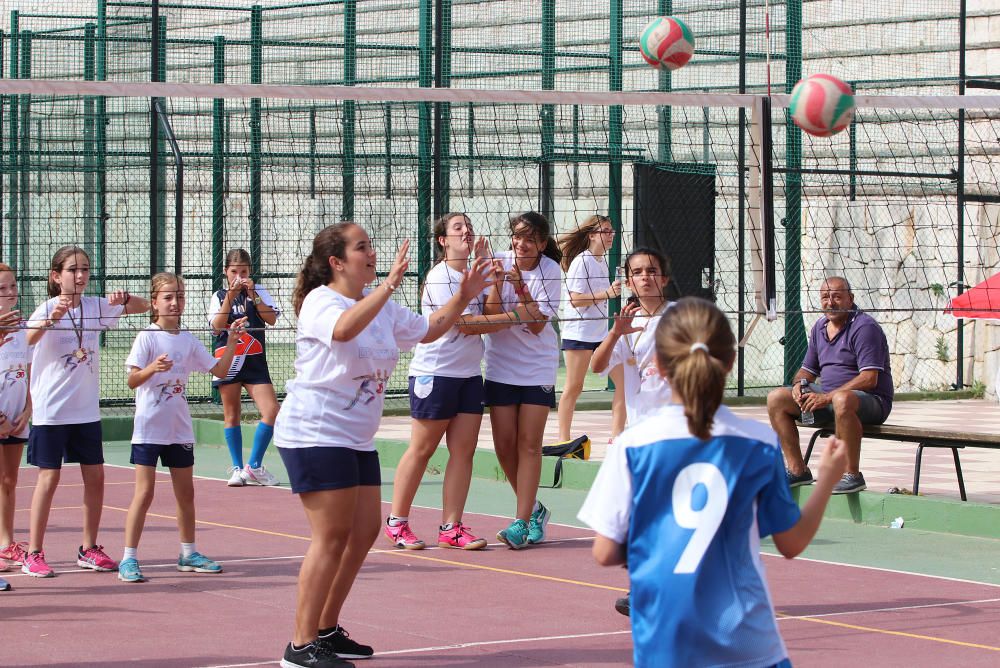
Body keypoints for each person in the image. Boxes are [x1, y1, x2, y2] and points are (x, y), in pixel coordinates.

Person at [579, 297, 849, 668]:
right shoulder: (758, 443)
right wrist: (828, 478)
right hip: (749, 646)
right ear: (730, 363)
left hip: (665, 644)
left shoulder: (632, 445)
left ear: (657, 365)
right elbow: (792, 543)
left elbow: (604, 552)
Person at [273, 222, 491, 668]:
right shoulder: (322, 301)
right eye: (361, 247)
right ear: (336, 262)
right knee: (331, 536)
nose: (371, 253)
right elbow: (345, 330)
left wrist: (464, 294)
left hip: (354, 437)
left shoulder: (385, 307)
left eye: (370, 246)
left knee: (365, 531)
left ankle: (326, 630)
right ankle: (298, 648)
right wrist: (389, 285)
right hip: (315, 433)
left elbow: (429, 329)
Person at [385, 213, 527, 551]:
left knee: (463, 453)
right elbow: (465, 325)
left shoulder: (472, 274)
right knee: (422, 449)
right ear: (443, 241)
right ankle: (397, 522)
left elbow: (487, 312)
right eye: (457, 228)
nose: (466, 231)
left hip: (467, 375)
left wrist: (493, 282)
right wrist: (514, 318)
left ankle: (451, 526)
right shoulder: (441, 277)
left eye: (469, 226)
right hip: (435, 373)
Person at [22, 245, 149, 578]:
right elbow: (28, 340)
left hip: (86, 411)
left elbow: (144, 307)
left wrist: (124, 298)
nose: (80, 276)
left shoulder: (95, 306)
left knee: (95, 476)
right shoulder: (47, 308)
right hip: (52, 411)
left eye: (84, 270)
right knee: (49, 479)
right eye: (72, 270)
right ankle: (34, 552)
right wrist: (53, 318)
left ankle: (88, 547)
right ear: (56, 276)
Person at [118, 273, 249, 583]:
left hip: (179, 428)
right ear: (154, 303)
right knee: (144, 493)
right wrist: (153, 368)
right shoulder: (147, 338)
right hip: (150, 428)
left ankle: (188, 553)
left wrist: (230, 342)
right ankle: (129, 558)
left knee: (186, 494)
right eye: (168, 297)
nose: (175, 302)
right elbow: (132, 380)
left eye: (179, 296)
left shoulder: (188, 340)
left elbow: (219, 369)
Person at [766, 276, 893, 494]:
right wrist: (799, 384)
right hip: (830, 398)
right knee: (777, 398)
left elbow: (869, 379)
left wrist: (827, 397)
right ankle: (797, 471)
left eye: (837, 297)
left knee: (841, 399)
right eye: (825, 297)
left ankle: (852, 475)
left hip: (871, 402)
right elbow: (808, 371)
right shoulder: (820, 327)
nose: (830, 302)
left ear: (850, 299)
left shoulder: (865, 327)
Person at [483, 211, 563, 549]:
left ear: (542, 244)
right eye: (517, 236)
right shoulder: (497, 262)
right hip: (500, 365)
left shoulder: (551, 271)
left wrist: (518, 286)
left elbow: (537, 325)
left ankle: (520, 521)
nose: (521, 243)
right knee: (503, 446)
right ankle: (534, 510)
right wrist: (501, 283)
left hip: (536, 366)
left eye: (530, 239)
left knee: (529, 444)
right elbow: (489, 316)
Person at [208, 248, 282, 487]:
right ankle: (237, 468)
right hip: (228, 359)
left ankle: (254, 466)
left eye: (244, 272)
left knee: (271, 411)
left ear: (251, 272)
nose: (239, 276)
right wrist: (231, 295)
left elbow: (270, 319)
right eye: (234, 272)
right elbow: (218, 326)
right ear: (225, 272)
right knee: (232, 414)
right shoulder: (219, 295)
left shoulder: (259, 292)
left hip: (255, 361)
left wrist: (253, 294)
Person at [556, 215, 625, 443]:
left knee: (623, 382)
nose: (610, 235)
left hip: (600, 333)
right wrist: (606, 294)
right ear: (592, 235)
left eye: (611, 231)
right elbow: (575, 299)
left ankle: (617, 437)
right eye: (606, 231)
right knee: (574, 386)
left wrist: (611, 291)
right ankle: (564, 439)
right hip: (579, 334)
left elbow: (599, 296)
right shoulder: (581, 261)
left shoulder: (602, 261)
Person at [591, 248, 674, 427]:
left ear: (664, 279)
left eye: (652, 271)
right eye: (637, 272)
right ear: (628, 283)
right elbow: (596, 367)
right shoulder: (626, 323)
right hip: (640, 422)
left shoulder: (682, 314)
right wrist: (614, 333)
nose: (645, 276)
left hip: (677, 420)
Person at [0, 264, 30, 590]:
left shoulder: (23, 326)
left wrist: (28, 409)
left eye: (12, 287)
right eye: (2, 288)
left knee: (9, 480)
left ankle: (6, 542)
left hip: (17, 414)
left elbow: (29, 369)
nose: (9, 293)